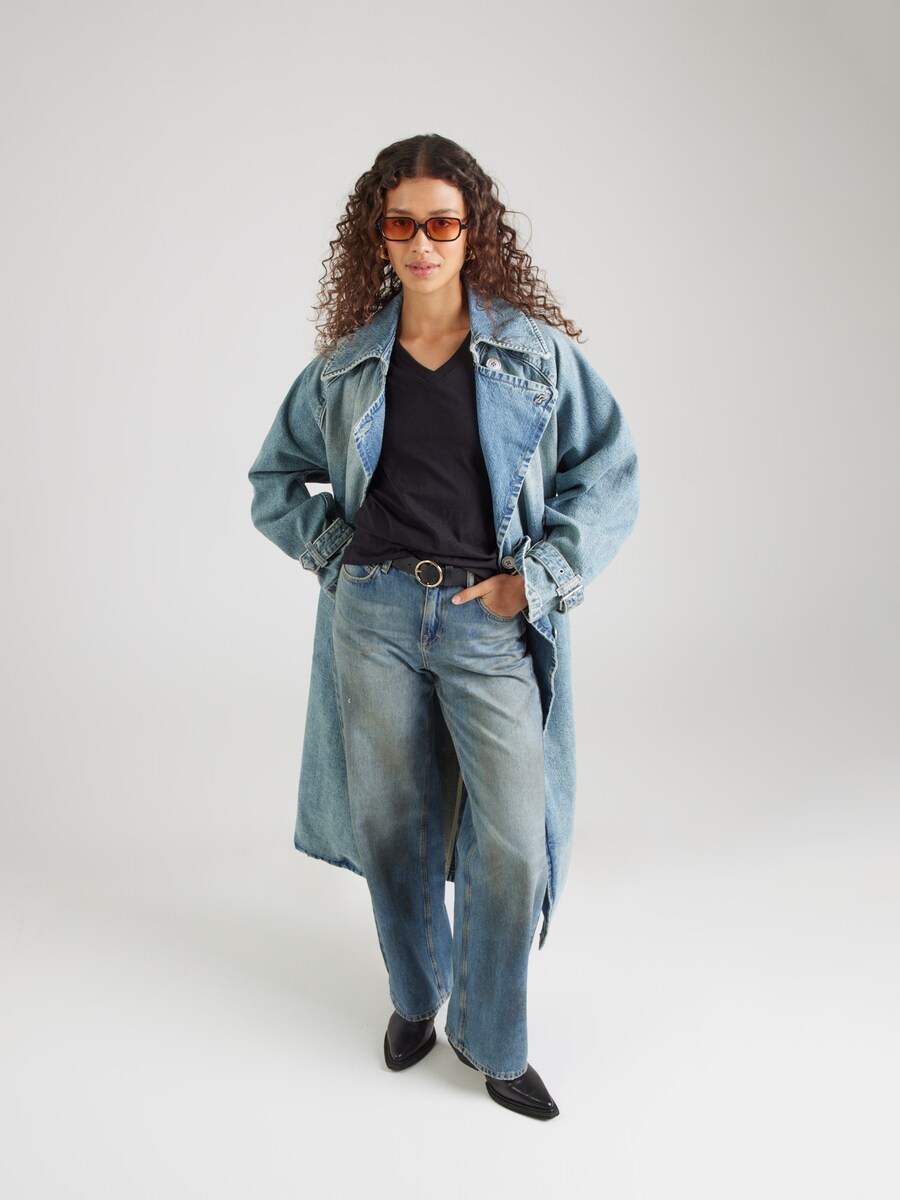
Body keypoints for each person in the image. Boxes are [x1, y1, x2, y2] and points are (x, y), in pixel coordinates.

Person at [248, 133, 640, 1121]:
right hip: (374, 617)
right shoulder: (346, 368)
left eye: (442, 223)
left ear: (473, 233)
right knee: (394, 822)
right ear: (377, 237)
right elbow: (273, 479)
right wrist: (337, 557)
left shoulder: (534, 357)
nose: (422, 243)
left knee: (513, 836)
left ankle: (493, 1038)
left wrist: (535, 582)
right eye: (402, 224)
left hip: (484, 620)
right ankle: (417, 997)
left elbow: (610, 476)